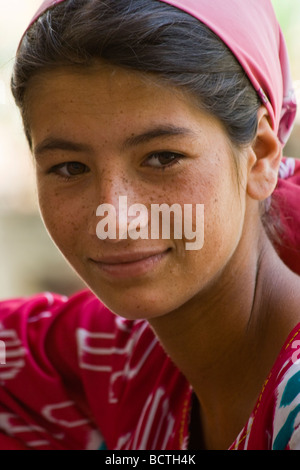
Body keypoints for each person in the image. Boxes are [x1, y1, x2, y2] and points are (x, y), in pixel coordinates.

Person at [0, 0, 300, 450]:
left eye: (162, 158)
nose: (115, 219)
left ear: (259, 155)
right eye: (70, 168)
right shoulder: (126, 357)